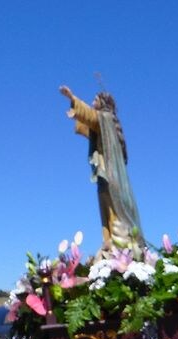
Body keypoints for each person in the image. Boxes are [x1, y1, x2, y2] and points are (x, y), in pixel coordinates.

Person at [59, 85, 143, 248]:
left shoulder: (106, 118)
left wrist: (73, 98)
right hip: (103, 173)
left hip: (109, 173)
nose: (92, 102)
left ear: (103, 103)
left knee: (113, 209)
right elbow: (89, 123)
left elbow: (91, 117)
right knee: (105, 209)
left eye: (95, 100)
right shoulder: (104, 121)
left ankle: (120, 246)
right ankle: (109, 241)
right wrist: (77, 112)